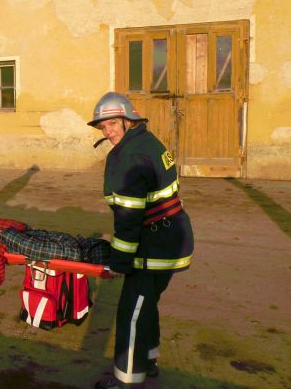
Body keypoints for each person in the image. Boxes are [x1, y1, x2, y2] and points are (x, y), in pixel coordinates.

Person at [88, 92, 194, 389]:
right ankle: (148, 360)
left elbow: (129, 214)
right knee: (146, 304)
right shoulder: (147, 141)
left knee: (131, 312)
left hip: (156, 243)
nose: (107, 132)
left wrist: (119, 261)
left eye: (111, 124)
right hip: (172, 236)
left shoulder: (130, 156)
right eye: (103, 127)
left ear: (127, 119)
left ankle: (127, 381)